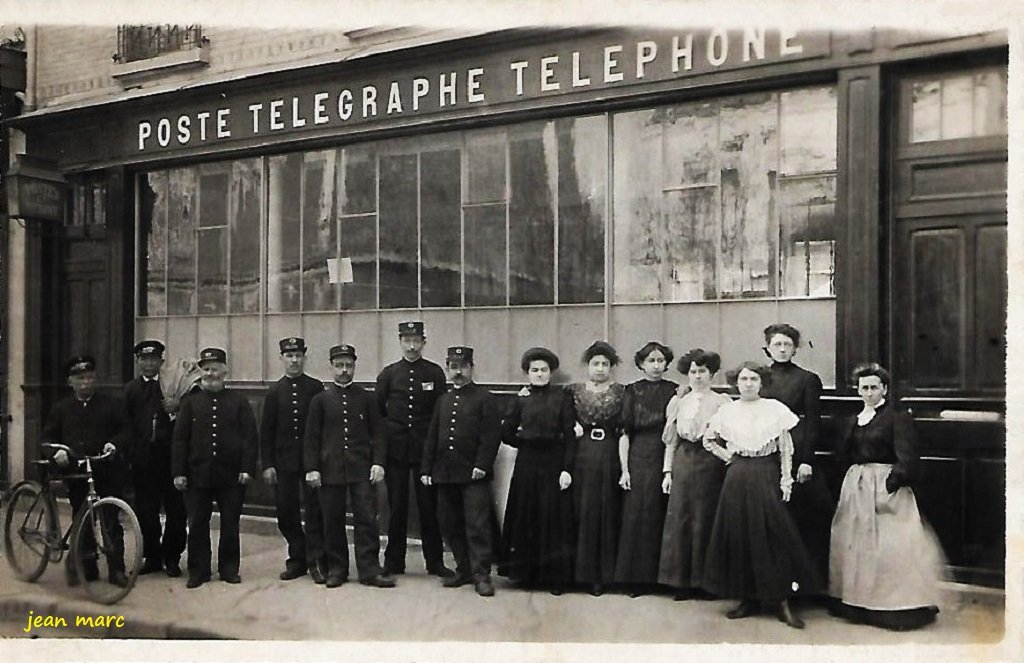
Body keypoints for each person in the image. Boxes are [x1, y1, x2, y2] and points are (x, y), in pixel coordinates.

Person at [700, 362, 821, 629]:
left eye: (753, 378)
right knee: (740, 532)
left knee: (774, 533)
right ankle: (748, 598)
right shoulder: (727, 411)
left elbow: (785, 448)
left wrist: (786, 479)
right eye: (743, 379)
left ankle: (781, 601)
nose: (748, 383)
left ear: (761, 382)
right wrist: (728, 456)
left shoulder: (775, 409)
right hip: (738, 475)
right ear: (736, 382)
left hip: (766, 473)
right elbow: (708, 440)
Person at [829, 362, 944, 630]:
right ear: (858, 391)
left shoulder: (896, 418)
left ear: (884, 389)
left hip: (886, 488)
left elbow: (908, 457)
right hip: (856, 488)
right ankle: (857, 602)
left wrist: (891, 484)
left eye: (874, 387)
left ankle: (895, 608)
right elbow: (843, 456)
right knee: (854, 543)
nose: (868, 393)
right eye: (864, 388)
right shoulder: (853, 420)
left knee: (890, 547)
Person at [304, 344, 395, 589]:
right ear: (331, 367)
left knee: (366, 519)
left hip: (361, 470)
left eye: (349, 365)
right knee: (332, 521)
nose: (344, 371)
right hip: (330, 470)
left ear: (354, 366)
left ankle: (369, 570)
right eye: (339, 365)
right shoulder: (320, 401)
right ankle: (337, 569)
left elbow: (378, 434)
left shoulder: (366, 398)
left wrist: (378, 463)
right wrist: (312, 468)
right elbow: (311, 438)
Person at [172, 348, 258, 589]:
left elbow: (250, 438)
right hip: (197, 475)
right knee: (197, 523)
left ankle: (229, 569)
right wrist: (179, 472)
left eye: (215, 368)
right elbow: (180, 440)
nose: (211, 373)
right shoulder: (190, 403)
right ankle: (198, 571)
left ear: (225, 371)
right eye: (206, 369)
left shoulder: (239, 402)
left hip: (231, 476)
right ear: (201, 372)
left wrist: (247, 469)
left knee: (230, 523)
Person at [421, 346, 501, 597]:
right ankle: (464, 568)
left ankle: (481, 574)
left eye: (463, 367)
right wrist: (427, 468)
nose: (458, 372)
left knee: (477, 525)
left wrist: (482, 465)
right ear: (447, 369)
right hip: (445, 473)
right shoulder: (443, 400)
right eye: (453, 367)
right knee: (450, 522)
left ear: (471, 368)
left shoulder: (484, 398)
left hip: (473, 473)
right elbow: (433, 436)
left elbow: (491, 436)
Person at [42, 355, 128, 586]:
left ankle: (117, 570)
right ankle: (86, 568)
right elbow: (48, 438)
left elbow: (124, 430)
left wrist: (114, 444)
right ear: (71, 381)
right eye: (80, 378)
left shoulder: (111, 404)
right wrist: (56, 453)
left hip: (106, 470)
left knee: (110, 520)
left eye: (90, 378)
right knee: (82, 518)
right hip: (77, 473)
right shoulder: (61, 408)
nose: (86, 383)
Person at [375, 321, 451, 578]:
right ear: (399, 341)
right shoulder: (389, 373)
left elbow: (441, 411)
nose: (411, 345)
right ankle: (394, 562)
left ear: (423, 342)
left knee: (428, 507)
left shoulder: (434, 372)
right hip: (396, 451)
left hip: (425, 451)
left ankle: (435, 562)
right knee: (397, 507)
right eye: (406, 340)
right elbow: (379, 411)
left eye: (416, 340)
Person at [499, 347, 577, 595]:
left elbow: (570, 435)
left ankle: (554, 578)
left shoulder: (562, 398)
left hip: (554, 460)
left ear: (551, 372)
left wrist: (566, 469)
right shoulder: (521, 399)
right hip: (527, 463)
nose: (540, 374)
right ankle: (526, 575)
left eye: (544, 370)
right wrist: (525, 440)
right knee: (527, 514)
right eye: (535, 370)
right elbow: (506, 432)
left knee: (552, 517)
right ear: (527, 373)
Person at [760, 323, 834, 581]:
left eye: (787, 344)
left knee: (800, 518)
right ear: (767, 349)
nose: (782, 349)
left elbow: (813, 422)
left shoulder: (807, 379)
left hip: (796, 450)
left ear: (795, 349)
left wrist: (806, 461)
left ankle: (803, 582)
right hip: (764, 451)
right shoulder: (758, 378)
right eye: (777, 344)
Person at [658, 348, 731, 600]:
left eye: (702, 371)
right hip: (683, 461)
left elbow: (730, 438)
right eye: (693, 371)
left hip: (710, 462)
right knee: (681, 518)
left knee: (705, 517)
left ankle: (707, 582)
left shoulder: (723, 402)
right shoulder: (679, 401)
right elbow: (671, 441)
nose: (697, 376)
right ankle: (681, 582)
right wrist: (667, 472)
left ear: (711, 374)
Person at [260, 337, 327, 583]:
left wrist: (319, 463)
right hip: (283, 462)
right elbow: (266, 431)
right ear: (282, 359)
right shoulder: (275, 391)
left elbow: (323, 426)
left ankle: (317, 561)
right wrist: (267, 464)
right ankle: (297, 559)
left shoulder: (315, 387)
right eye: (289, 356)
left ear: (304, 358)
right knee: (286, 513)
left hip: (311, 463)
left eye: (298, 355)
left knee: (314, 512)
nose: (294, 360)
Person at [614, 341, 678, 597]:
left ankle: (661, 578)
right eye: (650, 361)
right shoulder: (632, 391)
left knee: (662, 514)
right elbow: (624, 433)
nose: (656, 365)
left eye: (660, 361)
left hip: (667, 453)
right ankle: (635, 580)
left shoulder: (675, 391)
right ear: (641, 364)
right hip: (639, 455)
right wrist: (625, 469)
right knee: (637, 515)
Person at [122, 340, 187, 578]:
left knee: (176, 511)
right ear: (138, 362)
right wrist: (130, 455)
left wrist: (178, 405)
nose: (149, 363)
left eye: (154, 359)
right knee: (146, 511)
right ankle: (152, 556)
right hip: (144, 461)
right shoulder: (130, 390)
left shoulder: (171, 385)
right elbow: (125, 425)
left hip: (171, 460)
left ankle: (172, 557)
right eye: (144, 359)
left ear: (161, 361)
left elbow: (188, 414)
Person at [568, 340, 626, 597]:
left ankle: (602, 576)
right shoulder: (573, 391)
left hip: (610, 452)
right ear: (587, 366)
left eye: (605, 364)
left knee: (606, 509)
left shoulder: (622, 392)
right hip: (583, 452)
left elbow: (625, 426)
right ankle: (579, 573)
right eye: (595, 364)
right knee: (583, 508)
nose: (600, 369)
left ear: (611, 367)